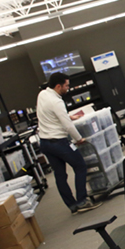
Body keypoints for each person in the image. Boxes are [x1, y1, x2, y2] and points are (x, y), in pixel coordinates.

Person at [37, 72, 102, 214]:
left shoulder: (42, 94)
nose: (68, 88)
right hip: (59, 143)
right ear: (58, 86)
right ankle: (82, 201)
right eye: (66, 86)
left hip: (45, 143)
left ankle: (72, 206)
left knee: (60, 175)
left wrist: (68, 116)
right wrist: (79, 139)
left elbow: (51, 114)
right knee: (80, 166)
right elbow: (67, 126)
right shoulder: (57, 101)